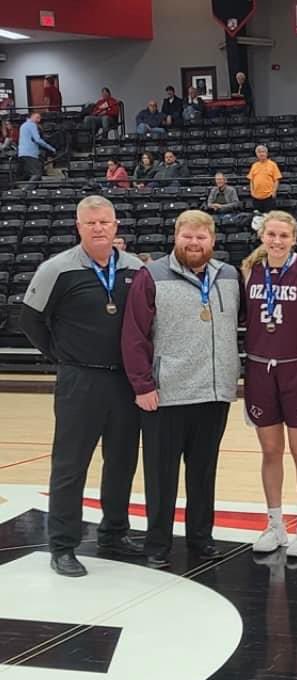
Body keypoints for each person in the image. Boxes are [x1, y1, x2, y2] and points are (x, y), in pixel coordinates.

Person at [20, 196, 144, 577]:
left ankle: (114, 533)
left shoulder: (135, 269)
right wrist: (60, 354)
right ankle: (62, 545)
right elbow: (30, 320)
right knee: (70, 465)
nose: (98, 228)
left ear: (116, 224)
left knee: (122, 461)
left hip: (124, 381)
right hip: (79, 380)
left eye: (104, 221)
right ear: (78, 226)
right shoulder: (56, 269)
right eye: (90, 223)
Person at [121, 210, 241, 568]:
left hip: (214, 393)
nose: (194, 243)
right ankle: (157, 544)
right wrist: (142, 385)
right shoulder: (151, 275)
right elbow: (134, 335)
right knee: (162, 476)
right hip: (166, 394)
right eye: (187, 236)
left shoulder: (229, 275)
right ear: (176, 237)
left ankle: (201, 539)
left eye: (201, 237)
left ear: (212, 240)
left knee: (203, 473)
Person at [242, 211, 297, 555]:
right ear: (262, 236)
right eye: (272, 234)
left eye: (284, 235)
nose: (277, 241)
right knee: (270, 451)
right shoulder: (248, 270)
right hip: (259, 368)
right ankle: (274, 524)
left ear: (294, 239)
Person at [17, 111, 55, 183]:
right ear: (31, 117)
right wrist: (51, 148)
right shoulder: (32, 125)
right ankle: (26, 188)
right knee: (37, 174)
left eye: (40, 118)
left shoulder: (23, 125)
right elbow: (37, 139)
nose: (39, 120)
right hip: (30, 153)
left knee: (29, 174)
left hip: (22, 152)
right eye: (37, 117)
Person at [248, 145, 282, 211]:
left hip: (269, 197)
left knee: (269, 216)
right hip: (256, 197)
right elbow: (251, 180)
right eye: (259, 152)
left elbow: (276, 180)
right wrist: (252, 192)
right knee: (258, 216)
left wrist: (273, 192)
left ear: (266, 153)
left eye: (263, 152)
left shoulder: (273, 164)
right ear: (256, 154)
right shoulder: (254, 165)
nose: (261, 154)